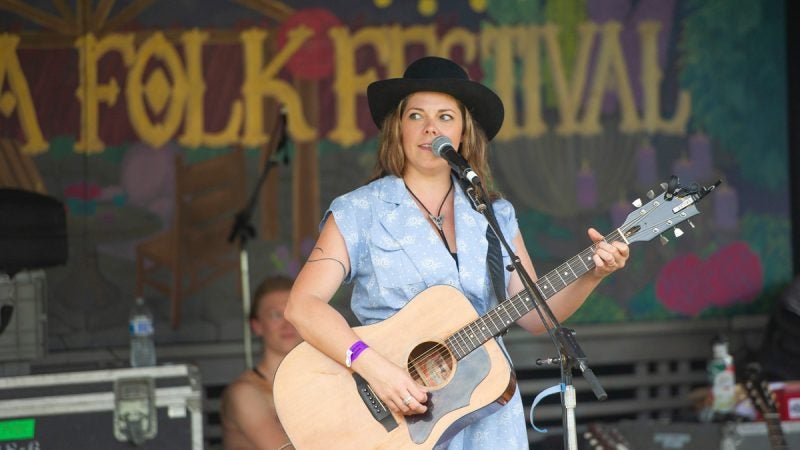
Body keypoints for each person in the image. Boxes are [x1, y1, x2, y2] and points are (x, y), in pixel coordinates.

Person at [284, 56, 630, 449]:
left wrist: (593, 273)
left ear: (464, 133)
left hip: (486, 409)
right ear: (398, 128)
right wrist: (375, 368)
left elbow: (535, 314)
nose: (430, 127)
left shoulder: (493, 214)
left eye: (445, 116)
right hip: (393, 412)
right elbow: (302, 306)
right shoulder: (358, 211)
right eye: (416, 115)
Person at [221, 275, 303, 450]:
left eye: (292, 313)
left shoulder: (317, 382)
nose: (286, 323)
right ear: (257, 326)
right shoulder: (244, 392)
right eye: (276, 315)